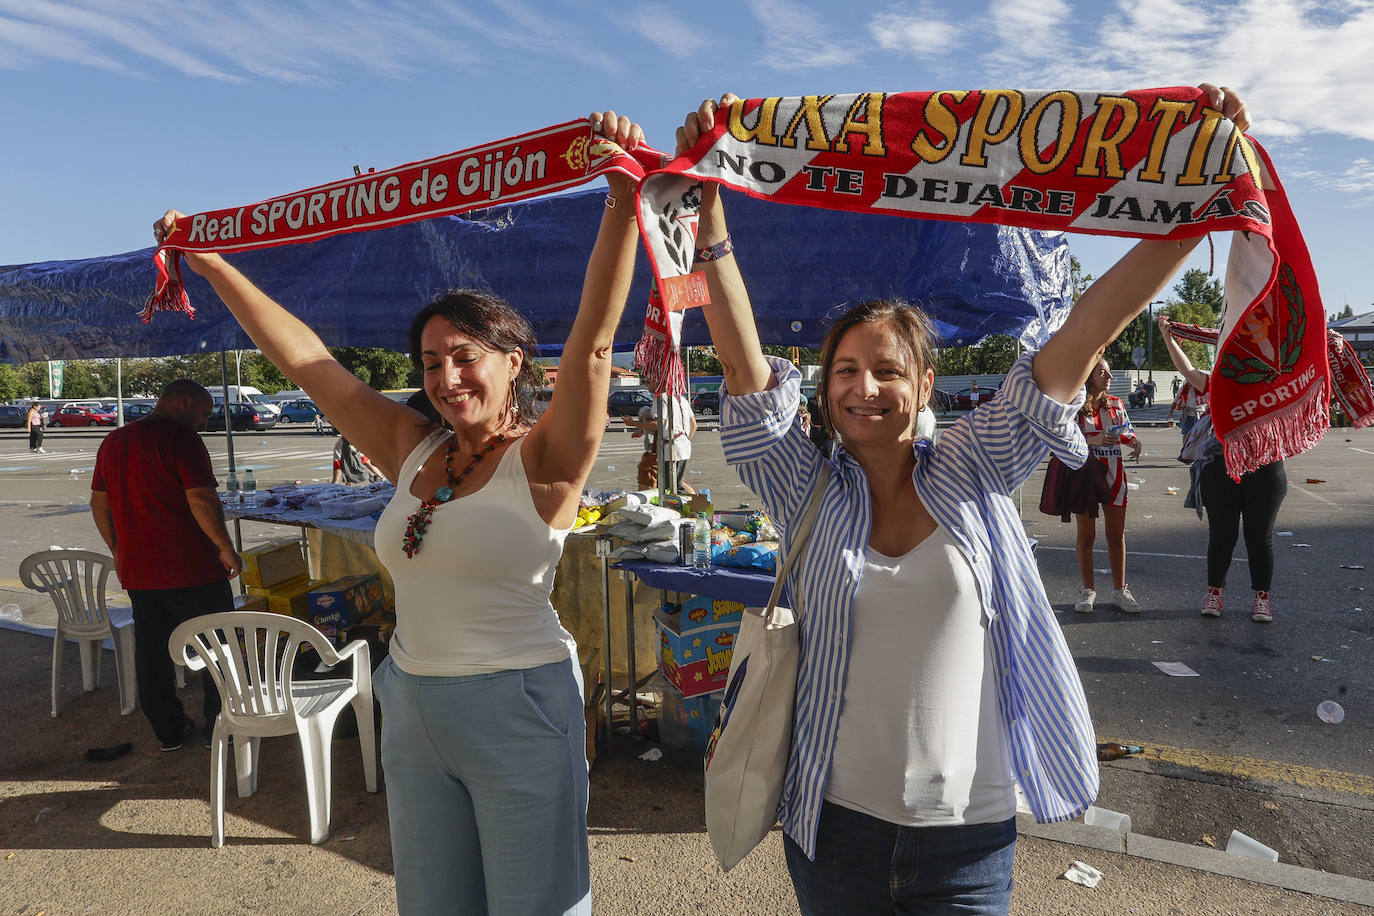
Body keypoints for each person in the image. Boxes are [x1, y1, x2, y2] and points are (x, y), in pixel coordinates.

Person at [677, 85, 1248, 914]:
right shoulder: (803, 484)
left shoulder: (972, 463)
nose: (864, 388)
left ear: (926, 385)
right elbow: (741, 365)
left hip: (970, 845)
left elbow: (1083, 332)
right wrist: (712, 203)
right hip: (831, 835)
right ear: (823, 387)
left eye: (888, 371)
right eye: (845, 370)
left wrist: (1196, 208)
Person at [155, 108, 643, 916]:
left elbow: (594, 342)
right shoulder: (414, 446)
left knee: (537, 903)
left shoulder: (545, 460)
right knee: (432, 901)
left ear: (514, 362)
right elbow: (306, 360)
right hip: (410, 700)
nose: (447, 377)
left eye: (466, 358)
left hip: (516, 701)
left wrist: (622, 198)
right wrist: (212, 265)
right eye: (431, 361)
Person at [89, 379, 240, 751]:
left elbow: (98, 503)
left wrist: (117, 548)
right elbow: (202, 499)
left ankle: (168, 730)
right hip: (191, 566)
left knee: (152, 651)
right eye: (204, 413)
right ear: (182, 403)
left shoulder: (114, 441)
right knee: (216, 647)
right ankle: (221, 727)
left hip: (140, 571)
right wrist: (225, 547)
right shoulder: (182, 439)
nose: (205, 423)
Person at [1158, 313, 1285, 622]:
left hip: (1264, 468)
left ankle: (1261, 599)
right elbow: (1187, 371)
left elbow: (1303, 368)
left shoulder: (1272, 382)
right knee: (1222, 536)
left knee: (1260, 537)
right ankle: (1214, 594)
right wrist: (1167, 337)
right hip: (1221, 468)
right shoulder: (1217, 383)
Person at [1072, 357, 1142, 614]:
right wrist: (1094, 439)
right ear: (1089, 376)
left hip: (1114, 476)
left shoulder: (1116, 404)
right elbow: (1066, 436)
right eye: (1102, 372)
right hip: (1086, 477)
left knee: (1116, 535)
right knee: (1087, 535)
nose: (1108, 376)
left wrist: (1134, 441)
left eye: (1109, 372)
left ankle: (1119, 591)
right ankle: (1087, 590)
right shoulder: (1076, 403)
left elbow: (1126, 430)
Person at [626, 392, 696, 493]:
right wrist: (684, 440)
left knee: (666, 486)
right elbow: (694, 425)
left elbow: (657, 424)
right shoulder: (682, 400)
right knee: (677, 483)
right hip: (680, 446)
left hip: (663, 450)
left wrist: (633, 423)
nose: (646, 384)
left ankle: (692, 504)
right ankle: (696, 502)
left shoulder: (661, 398)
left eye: (649, 381)